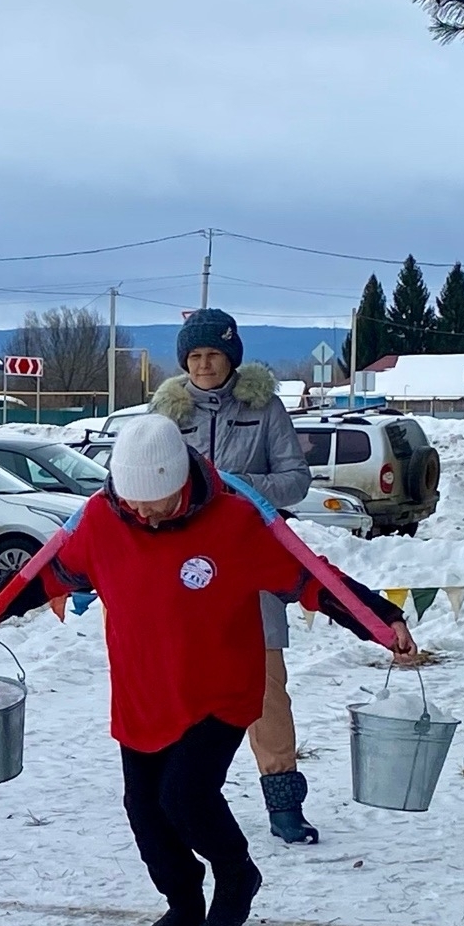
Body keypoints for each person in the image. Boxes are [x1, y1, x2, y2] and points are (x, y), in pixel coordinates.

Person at [0, 414, 415, 926]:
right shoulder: (102, 521)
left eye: (152, 501)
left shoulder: (236, 521)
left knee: (185, 796)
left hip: (219, 690)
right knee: (144, 809)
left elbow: (311, 578)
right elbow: (47, 573)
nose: (141, 512)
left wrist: (382, 621)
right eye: (131, 500)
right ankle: (182, 898)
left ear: (180, 482)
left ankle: (236, 870)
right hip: (143, 692)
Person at [151, 308, 321, 843]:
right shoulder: (164, 413)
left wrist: (237, 486)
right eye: (195, 356)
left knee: (267, 688)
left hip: (251, 565)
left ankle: (283, 801)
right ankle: (185, 798)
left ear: (231, 359)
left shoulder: (264, 407)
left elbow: (295, 480)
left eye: (214, 355)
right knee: (181, 687)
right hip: (181, 572)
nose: (204, 366)